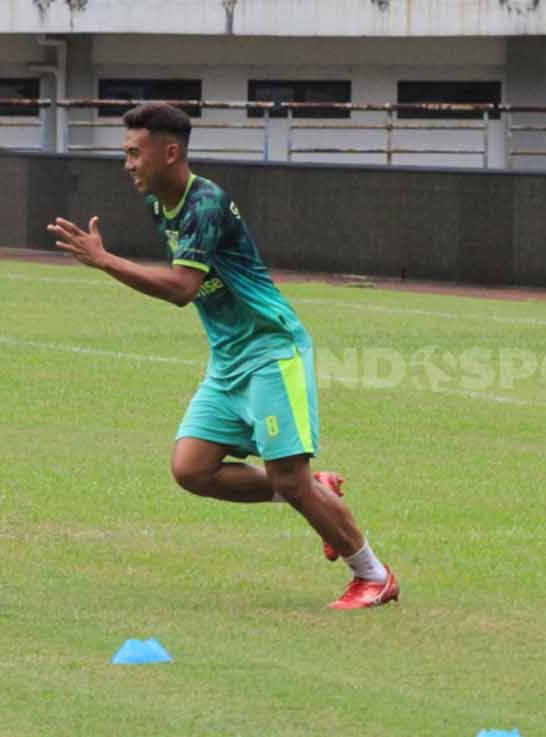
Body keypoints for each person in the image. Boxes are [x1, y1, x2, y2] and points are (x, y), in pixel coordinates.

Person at [47, 102, 398, 610]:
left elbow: (182, 288)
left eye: (134, 152)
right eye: (125, 153)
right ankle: (310, 492)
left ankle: (374, 575)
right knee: (192, 470)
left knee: (288, 477)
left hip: (270, 348)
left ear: (170, 152)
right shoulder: (160, 206)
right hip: (229, 357)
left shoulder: (206, 203)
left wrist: (104, 261)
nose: (127, 163)